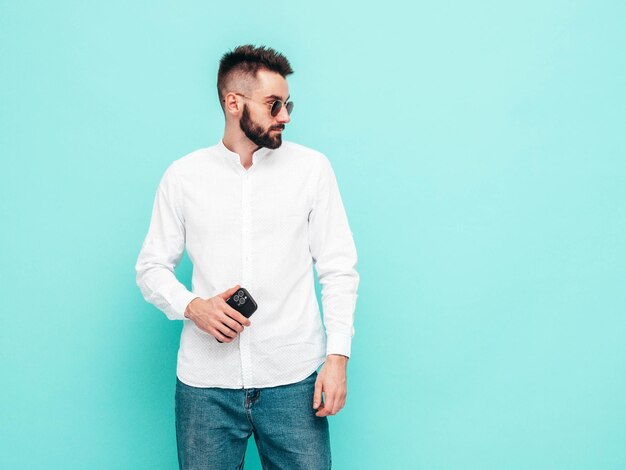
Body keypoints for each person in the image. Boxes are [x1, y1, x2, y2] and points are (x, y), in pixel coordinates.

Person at [135, 44, 359, 470]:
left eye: (288, 104)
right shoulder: (183, 177)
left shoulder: (312, 170)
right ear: (233, 102)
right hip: (205, 389)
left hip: (294, 382)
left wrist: (337, 357)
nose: (286, 116)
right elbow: (150, 267)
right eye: (274, 105)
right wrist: (193, 307)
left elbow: (338, 268)